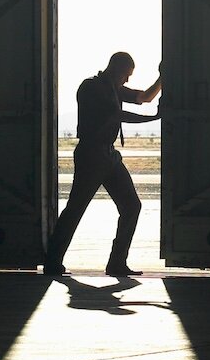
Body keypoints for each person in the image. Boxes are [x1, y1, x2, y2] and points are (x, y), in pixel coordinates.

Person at [44, 52, 162, 277]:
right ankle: (53, 261)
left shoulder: (112, 88)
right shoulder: (91, 88)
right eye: (126, 75)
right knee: (76, 209)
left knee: (131, 206)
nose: (127, 80)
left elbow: (144, 97)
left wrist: (162, 78)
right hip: (92, 154)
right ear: (116, 69)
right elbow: (118, 115)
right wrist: (154, 118)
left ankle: (117, 263)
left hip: (107, 154)